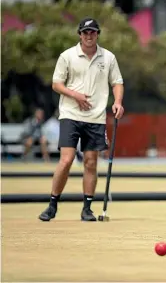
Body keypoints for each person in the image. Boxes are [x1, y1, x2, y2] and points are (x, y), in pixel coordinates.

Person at [39, 17, 124, 222]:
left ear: (97, 34)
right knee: (67, 160)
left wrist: (118, 102)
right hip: (70, 114)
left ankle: (87, 208)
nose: (89, 36)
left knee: (90, 162)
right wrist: (75, 95)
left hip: (96, 117)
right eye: (85, 32)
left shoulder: (108, 57)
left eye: (93, 32)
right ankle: (52, 204)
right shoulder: (67, 56)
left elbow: (117, 82)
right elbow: (56, 84)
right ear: (80, 35)